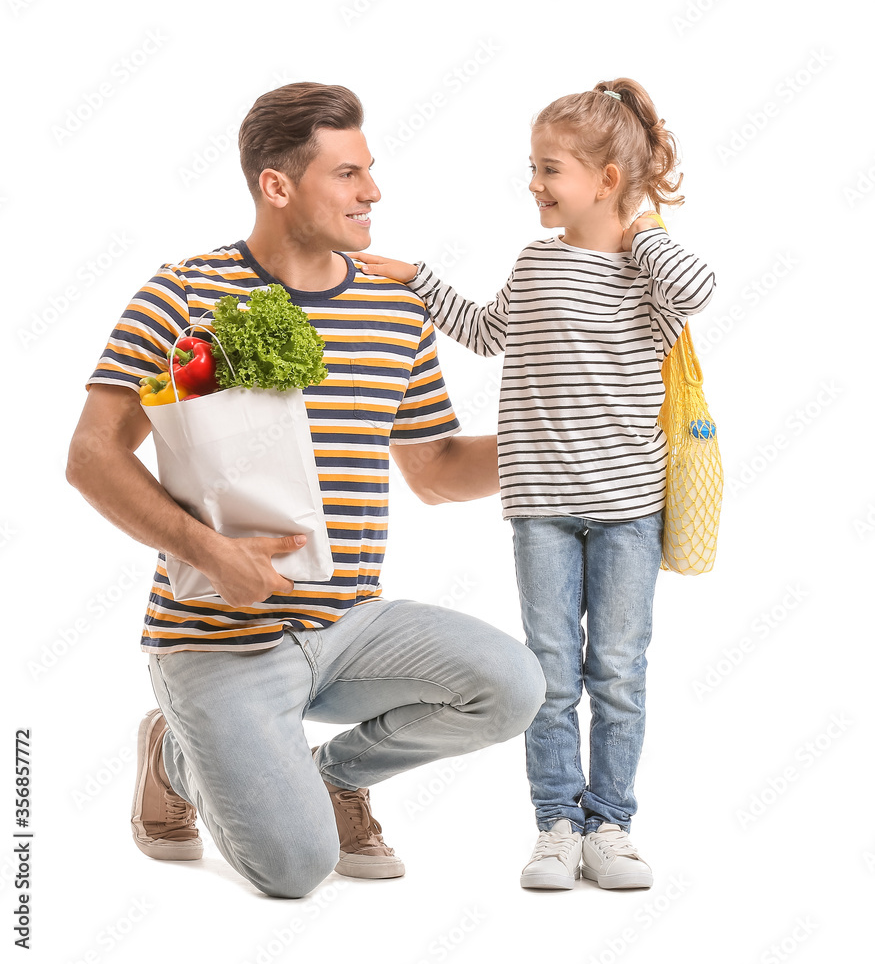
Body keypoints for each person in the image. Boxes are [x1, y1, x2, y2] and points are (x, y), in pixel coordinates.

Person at [66, 82, 546, 899]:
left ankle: (331, 774)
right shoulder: (183, 294)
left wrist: (553, 439)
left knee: (510, 688)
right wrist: (210, 553)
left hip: (350, 626)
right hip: (217, 636)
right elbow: (91, 458)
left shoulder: (394, 307)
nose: (373, 192)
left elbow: (433, 472)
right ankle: (173, 754)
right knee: (295, 870)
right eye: (349, 174)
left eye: (370, 171)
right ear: (277, 186)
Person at [352, 78, 716, 891]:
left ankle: (610, 825)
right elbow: (485, 332)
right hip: (540, 511)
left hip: (627, 512)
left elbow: (697, 291)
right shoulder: (536, 262)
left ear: (606, 180)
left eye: (548, 169)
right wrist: (415, 276)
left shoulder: (648, 277)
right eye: (533, 166)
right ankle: (555, 823)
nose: (534, 184)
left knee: (616, 672)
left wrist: (641, 228)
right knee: (550, 673)